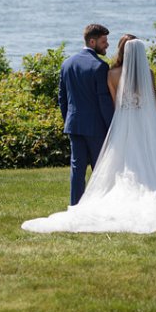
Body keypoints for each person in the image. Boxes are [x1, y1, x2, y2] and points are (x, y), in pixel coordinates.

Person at [23, 37, 156, 234]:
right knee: (150, 159)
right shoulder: (149, 74)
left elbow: (113, 104)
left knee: (124, 163)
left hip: (124, 124)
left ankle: (91, 200)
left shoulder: (112, 74)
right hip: (146, 123)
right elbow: (155, 101)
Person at [58, 24, 115, 206]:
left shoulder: (67, 63)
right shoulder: (100, 66)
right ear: (92, 41)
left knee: (77, 169)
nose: (107, 45)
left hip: (74, 125)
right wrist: (113, 126)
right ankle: (100, 207)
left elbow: (62, 98)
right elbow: (104, 102)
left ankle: (75, 207)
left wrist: (68, 119)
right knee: (101, 170)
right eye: (104, 41)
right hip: (96, 127)